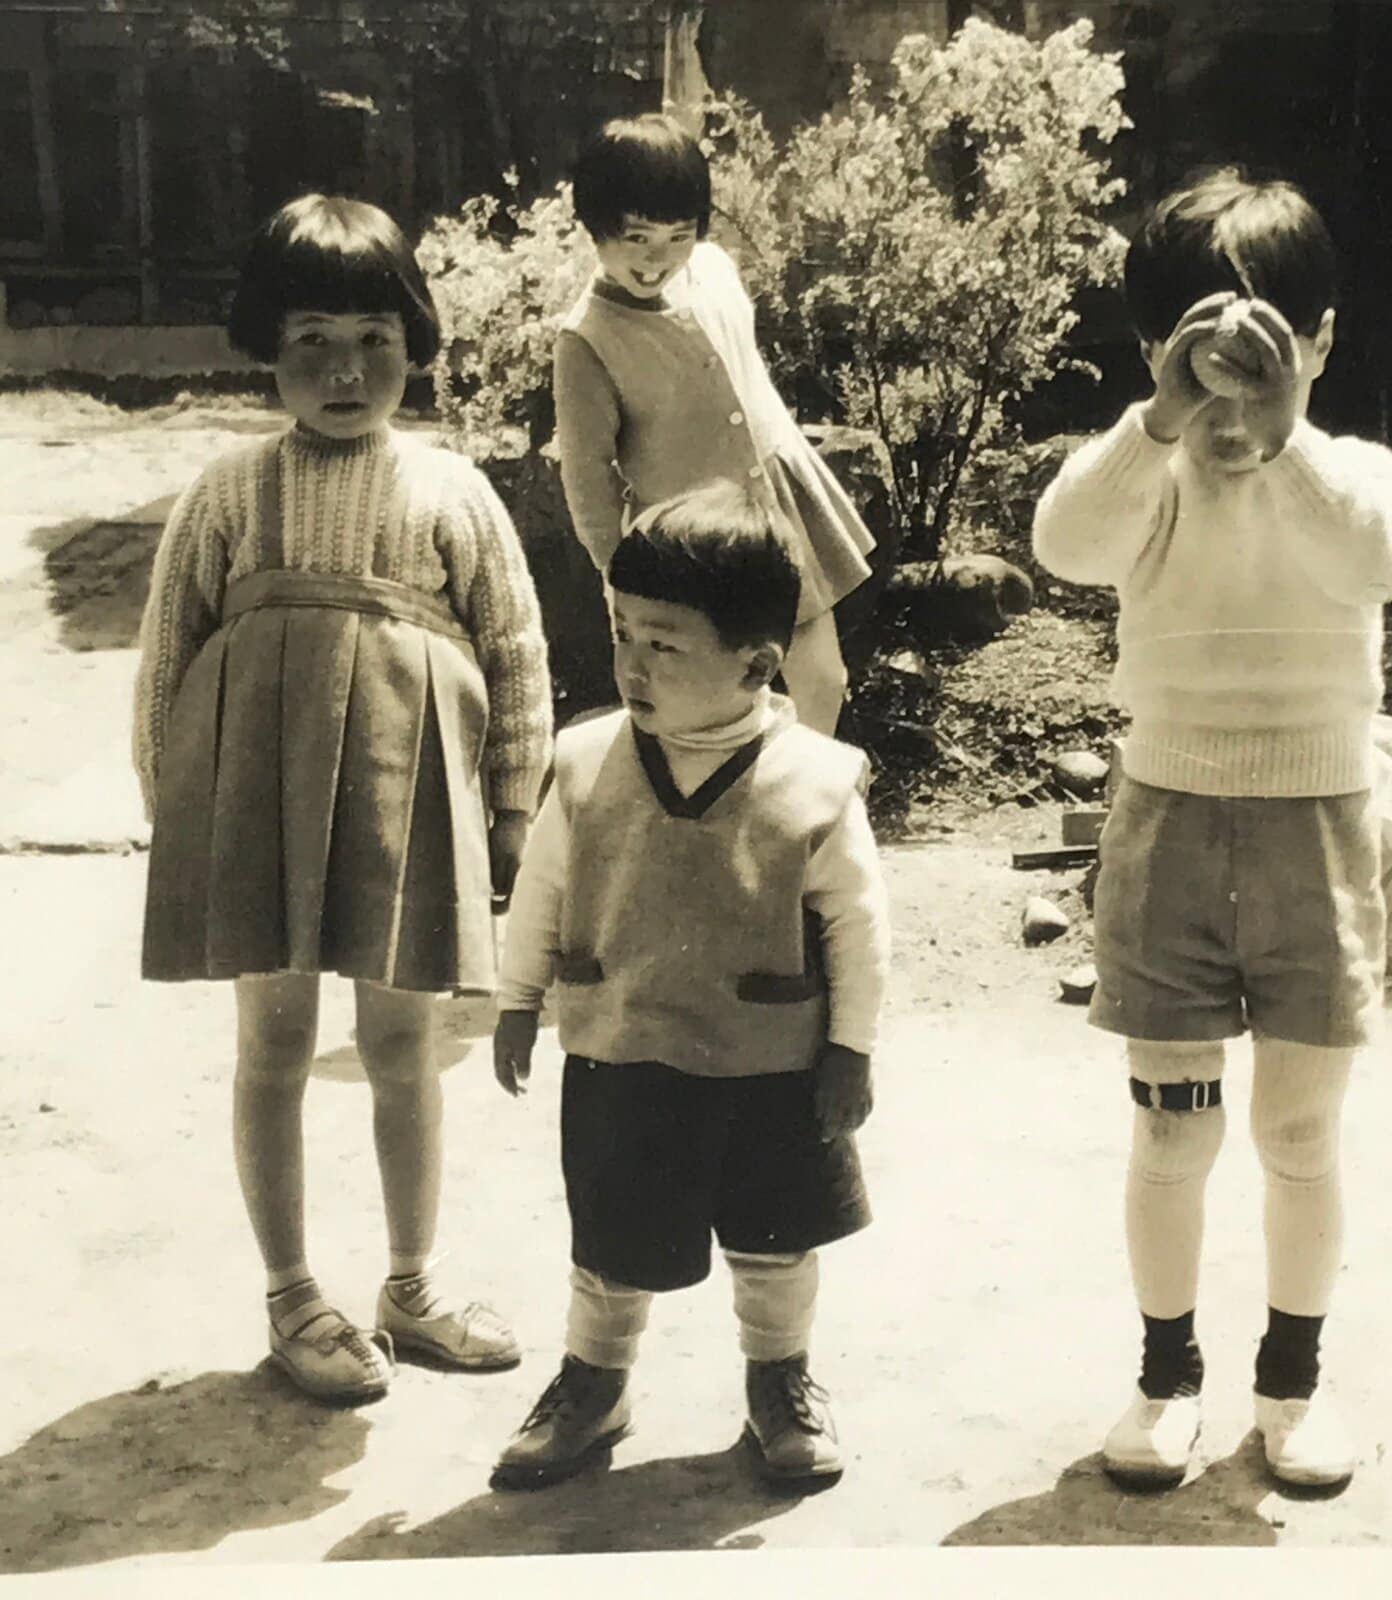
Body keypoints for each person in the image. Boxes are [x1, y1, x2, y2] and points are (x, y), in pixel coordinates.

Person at [1031, 169, 1392, 1490]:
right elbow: (1062, 544)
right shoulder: (1143, 473)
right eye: (1199, 351)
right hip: (1168, 830)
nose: (1233, 386)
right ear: (1155, 353)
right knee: (1174, 1131)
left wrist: (1289, 425)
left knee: (1300, 1136)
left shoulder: (1351, 472)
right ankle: (1164, 1378)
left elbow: (1381, 559)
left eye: (1269, 348)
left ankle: (1292, 1386)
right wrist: (1163, 420)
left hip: (1314, 834)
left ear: (1321, 343)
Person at [133, 193, 553, 1405]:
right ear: (265, 344)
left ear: (415, 345)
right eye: (311, 337)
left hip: (403, 803)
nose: (344, 369)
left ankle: (411, 1287)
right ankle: (291, 1295)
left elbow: (514, 645)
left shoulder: (451, 491)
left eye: (375, 336)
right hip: (255, 805)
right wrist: (179, 810)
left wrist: (515, 805)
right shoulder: (227, 491)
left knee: (401, 1044)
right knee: (270, 1044)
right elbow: (169, 650)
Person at [490, 479, 889, 1492]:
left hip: (772, 1066)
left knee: (776, 1241)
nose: (630, 662)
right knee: (613, 1241)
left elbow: (857, 924)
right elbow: (540, 889)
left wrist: (850, 1047)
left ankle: (780, 1380)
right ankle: (593, 1380)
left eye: (663, 643)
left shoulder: (814, 780)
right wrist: (516, 1001)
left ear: (757, 663)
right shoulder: (584, 764)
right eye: (621, 632)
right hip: (624, 1054)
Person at [554, 112, 876, 736]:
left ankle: (810, 808)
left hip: (777, 515)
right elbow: (587, 474)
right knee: (700, 704)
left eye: (678, 237)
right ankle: (699, 819)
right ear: (595, 226)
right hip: (693, 548)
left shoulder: (715, 271)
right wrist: (625, 582)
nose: (657, 259)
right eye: (637, 238)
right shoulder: (587, 340)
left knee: (822, 679)